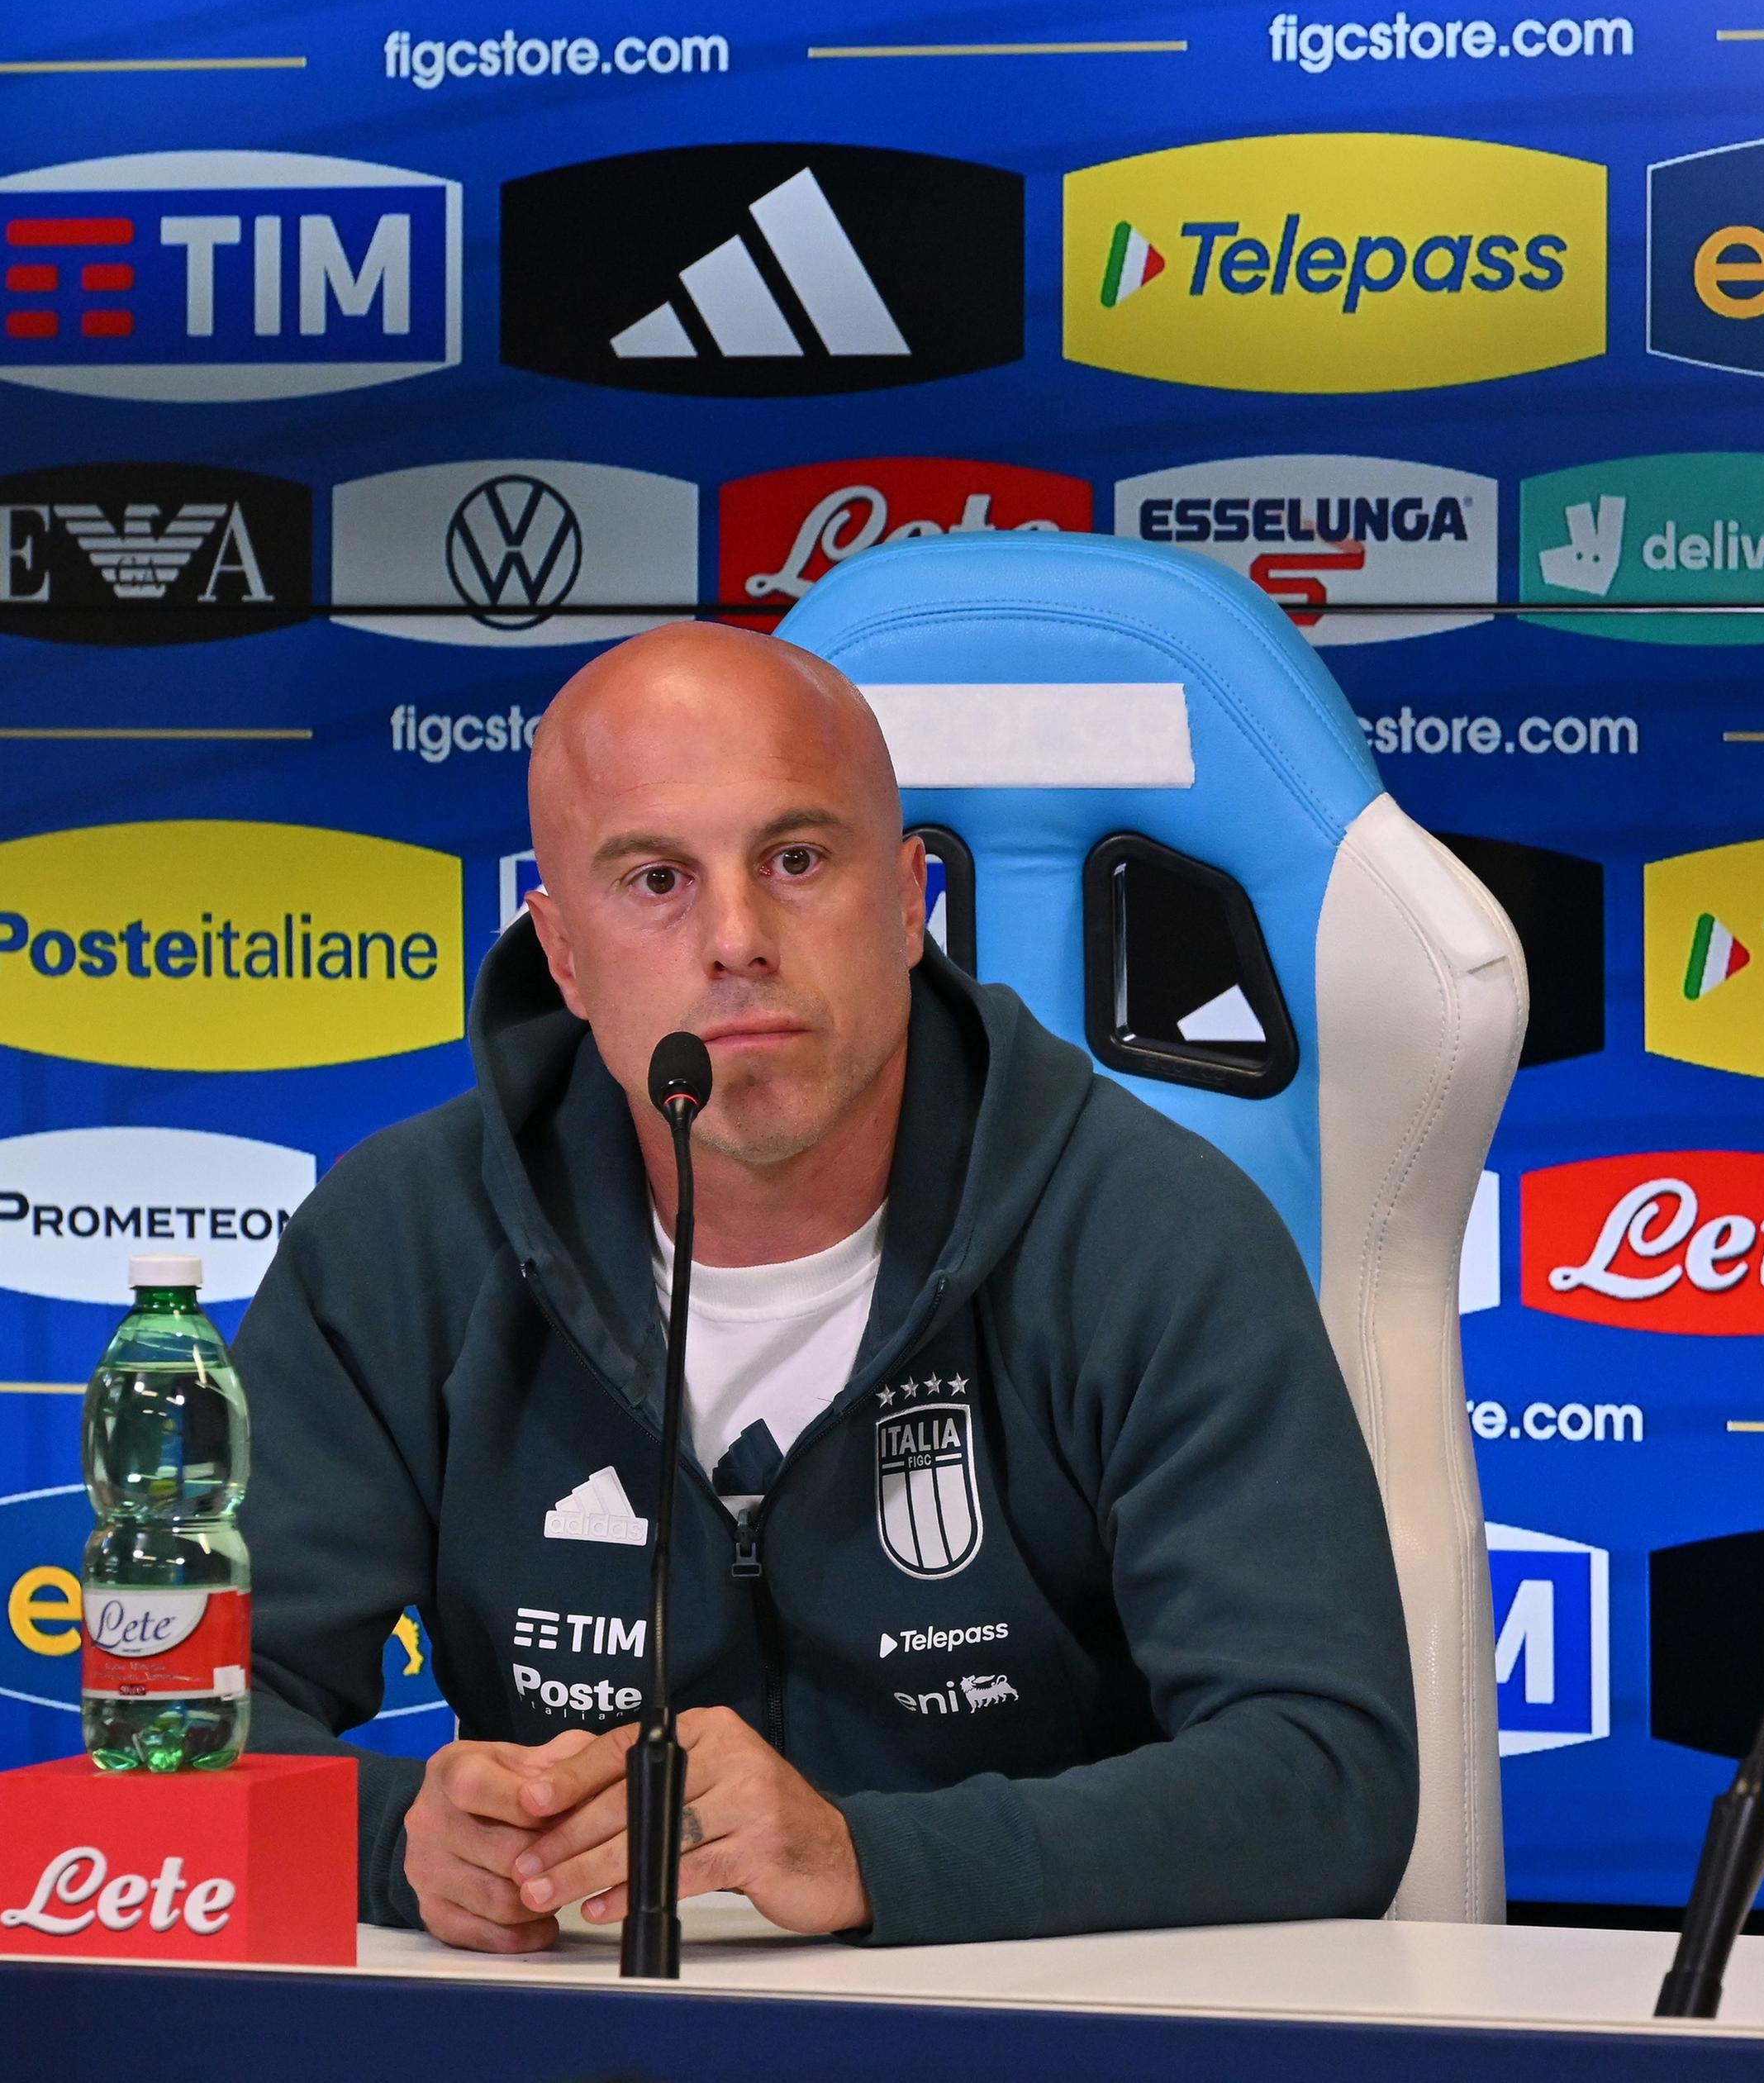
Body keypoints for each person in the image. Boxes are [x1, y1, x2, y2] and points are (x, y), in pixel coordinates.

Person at [236, 623, 1416, 1950]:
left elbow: (1327, 1775)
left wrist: (871, 1859)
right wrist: (401, 1841)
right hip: (579, 2027)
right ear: (563, 958)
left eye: (796, 861)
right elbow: (180, 1729)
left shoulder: (1151, 1232)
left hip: (1040, 2025)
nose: (737, 939)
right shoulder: (402, 1237)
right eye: (655, 881)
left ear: (910, 902)